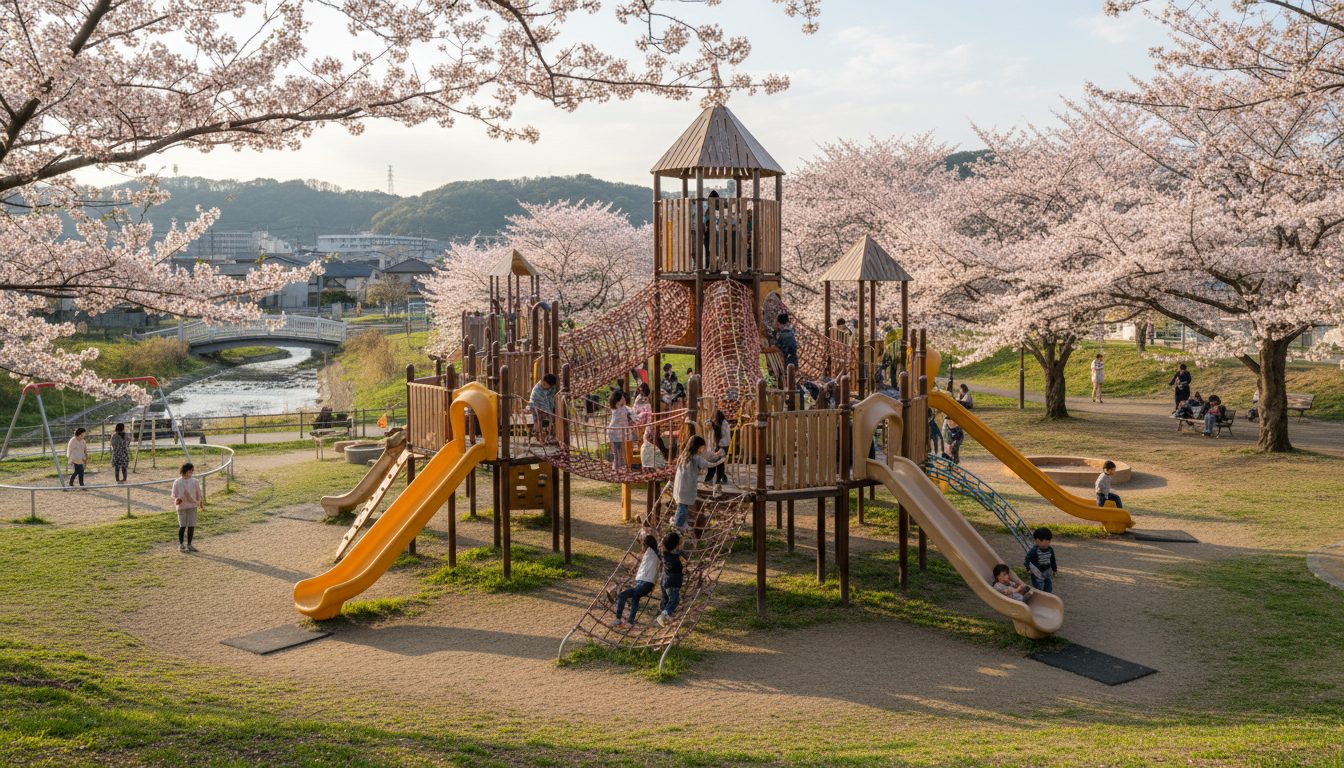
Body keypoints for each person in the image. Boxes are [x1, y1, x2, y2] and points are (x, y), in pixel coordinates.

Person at [672, 434, 723, 530]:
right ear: (696, 446)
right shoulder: (695, 457)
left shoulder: (683, 456)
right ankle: (678, 525)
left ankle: (681, 523)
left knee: (682, 506)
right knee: (683, 508)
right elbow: (707, 464)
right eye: (702, 448)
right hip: (686, 487)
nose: (702, 451)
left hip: (680, 486)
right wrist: (719, 462)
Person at [612, 534, 660, 629]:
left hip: (645, 582)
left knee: (624, 596)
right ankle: (629, 621)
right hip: (644, 583)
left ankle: (621, 619)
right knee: (635, 598)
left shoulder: (650, 553)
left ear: (646, 545)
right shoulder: (653, 553)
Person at [656, 530, 686, 627]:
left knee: (665, 597)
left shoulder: (664, 553)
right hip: (672, 583)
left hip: (664, 581)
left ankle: (662, 609)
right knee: (675, 599)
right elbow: (680, 566)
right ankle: (664, 614)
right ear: (676, 546)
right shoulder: (675, 559)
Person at [173, 462, 204, 553]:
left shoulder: (195, 481)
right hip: (182, 506)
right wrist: (177, 499)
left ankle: (189, 544)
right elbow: (174, 494)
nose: (192, 472)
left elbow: (199, 494)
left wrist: (200, 502)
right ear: (185, 471)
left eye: (192, 471)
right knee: (182, 525)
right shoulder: (177, 482)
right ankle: (181, 544)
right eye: (190, 471)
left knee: (191, 525)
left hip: (192, 505)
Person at [1024, 527, 1058, 593]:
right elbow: (1026, 561)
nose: (1048, 542)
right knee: (1039, 589)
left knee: (1048, 588)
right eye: (1046, 540)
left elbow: (1052, 560)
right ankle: (1040, 599)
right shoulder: (1033, 551)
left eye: (1049, 540)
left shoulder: (1050, 550)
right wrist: (1028, 569)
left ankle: (1047, 598)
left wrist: (1054, 570)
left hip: (1047, 573)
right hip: (1037, 574)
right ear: (1038, 541)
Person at [607, 389, 634, 469]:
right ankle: (620, 469)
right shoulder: (624, 409)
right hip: (620, 432)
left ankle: (616, 469)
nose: (623, 401)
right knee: (621, 453)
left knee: (616, 454)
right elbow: (634, 415)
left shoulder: (614, 410)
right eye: (622, 399)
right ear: (618, 402)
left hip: (613, 431)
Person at [528, 373, 558, 442]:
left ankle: (550, 433)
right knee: (538, 417)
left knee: (552, 416)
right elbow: (534, 401)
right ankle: (539, 434)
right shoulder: (537, 390)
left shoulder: (552, 389)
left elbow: (552, 398)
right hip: (535, 406)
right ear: (543, 382)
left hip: (547, 408)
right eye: (546, 384)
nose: (547, 386)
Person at [707, 410, 731, 493]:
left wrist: (712, 425)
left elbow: (718, 433)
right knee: (720, 462)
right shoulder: (725, 423)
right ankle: (722, 477)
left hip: (722, 445)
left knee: (718, 463)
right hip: (724, 445)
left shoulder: (723, 424)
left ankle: (717, 480)